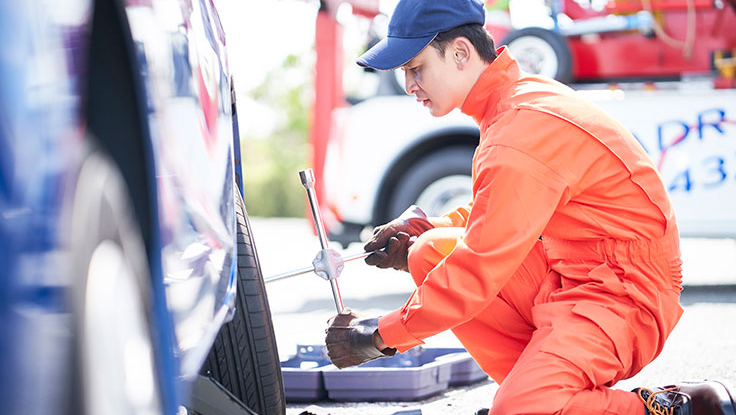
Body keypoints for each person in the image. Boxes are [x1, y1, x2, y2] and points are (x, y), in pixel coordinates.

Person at [323, 0, 736, 414]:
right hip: (576, 270)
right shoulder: (515, 102)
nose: (410, 84)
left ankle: (662, 407)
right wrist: (429, 226)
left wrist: (378, 336)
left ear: (461, 53)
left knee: (521, 400)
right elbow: (506, 207)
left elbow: (479, 268)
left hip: (625, 291)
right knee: (430, 250)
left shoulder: (518, 128)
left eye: (416, 68)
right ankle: (538, 396)